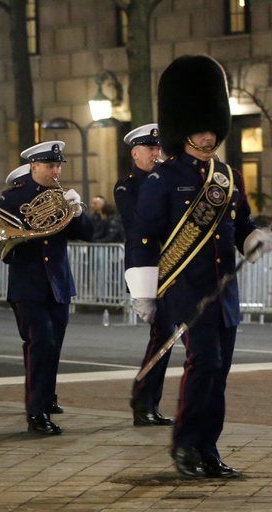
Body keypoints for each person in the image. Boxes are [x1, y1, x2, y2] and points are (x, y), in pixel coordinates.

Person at [128, 55, 272, 479]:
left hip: (222, 290)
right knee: (204, 365)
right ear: (183, 129)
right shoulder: (163, 178)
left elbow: (241, 223)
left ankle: (207, 447)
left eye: (213, 126)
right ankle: (185, 445)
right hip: (184, 289)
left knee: (219, 372)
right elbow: (144, 235)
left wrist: (254, 237)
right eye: (200, 127)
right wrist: (143, 289)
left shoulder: (227, 176)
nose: (209, 135)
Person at [0, 142, 92, 436]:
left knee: (54, 347)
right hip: (28, 284)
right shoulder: (13, 198)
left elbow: (87, 234)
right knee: (41, 344)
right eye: (50, 166)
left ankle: (46, 398)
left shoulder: (62, 196)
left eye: (58, 166)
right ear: (33, 166)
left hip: (59, 283)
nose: (56, 171)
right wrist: (26, 232)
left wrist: (77, 211)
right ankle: (36, 413)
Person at [114, 123, 175, 428]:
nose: (156, 153)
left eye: (157, 148)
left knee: (168, 336)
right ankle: (143, 401)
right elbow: (138, 225)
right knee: (163, 335)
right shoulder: (127, 185)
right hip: (148, 266)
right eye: (150, 148)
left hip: (174, 264)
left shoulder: (166, 179)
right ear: (135, 152)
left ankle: (148, 402)